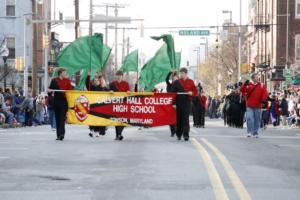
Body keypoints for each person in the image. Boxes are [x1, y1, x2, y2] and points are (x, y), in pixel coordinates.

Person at [171, 67, 198, 141]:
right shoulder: (177, 82)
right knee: (179, 118)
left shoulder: (191, 81)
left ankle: (186, 134)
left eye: (182, 73)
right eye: (180, 73)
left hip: (187, 102)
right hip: (178, 102)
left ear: (186, 73)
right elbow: (173, 94)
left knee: (185, 118)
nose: (181, 75)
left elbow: (195, 91)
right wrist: (173, 103)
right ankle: (179, 134)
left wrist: (191, 92)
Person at [240, 73, 268, 138]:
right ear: (253, 78)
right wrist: (244, 85)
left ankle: (255, 132)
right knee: (249, 118)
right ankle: (249, 132)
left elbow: (265, 93)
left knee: (257, 119)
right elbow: (242, 90)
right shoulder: (248, 85)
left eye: (258, 77)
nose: (258, 78)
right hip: (249, 105)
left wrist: (264, 99)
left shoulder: (261, 85)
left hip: (258, 105)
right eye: (256, 77)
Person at [49, 68, 73, 141]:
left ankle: (61, 134)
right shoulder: (54, 80)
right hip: (56, 101)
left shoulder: (67, 81)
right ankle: (58, 135)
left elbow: (70, 90)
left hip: (64, 101)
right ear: (60, 73)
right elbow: (50, 90)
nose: (65, 74)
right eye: (64, 72)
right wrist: (49, 91)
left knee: (62, 118)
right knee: (57, 118)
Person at [109, 70, 130, 141]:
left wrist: (128, 92)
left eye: (120, 75)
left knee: (123, 120)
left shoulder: (126, 83)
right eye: (117, 75)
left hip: (124, 105)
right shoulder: (112, 84)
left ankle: (119, 134)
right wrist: (110, 91)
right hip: (115, 104)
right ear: (116, 76)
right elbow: (107, 91)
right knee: (116, 120)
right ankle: (118, 135)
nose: (118, 77)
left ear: (122, 76)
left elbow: (129, 92)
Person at [86, 71, 108, 137]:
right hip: (93, 106)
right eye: (94, 80)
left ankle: (99, 130)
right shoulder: (92, 87)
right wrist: (88, 76)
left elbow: (108, 91)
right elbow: (87, 83)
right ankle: (92, 130)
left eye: (97, 80)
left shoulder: (103, 88)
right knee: (92, 118)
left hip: (100, 107)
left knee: (100, 118)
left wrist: (110, 91)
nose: (96, 81)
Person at [166, 70, 178, 136]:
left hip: (176, 104)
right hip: (170, 104)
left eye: (175, 79)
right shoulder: (169, 85)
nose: (174, 80)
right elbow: (166, 79)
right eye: (173, 79)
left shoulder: (178, 86)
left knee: (176, 118)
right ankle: (172, 131)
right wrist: (170, 72)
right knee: (170, 118)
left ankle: (176, 130)